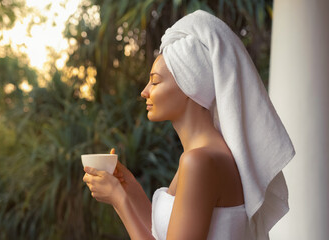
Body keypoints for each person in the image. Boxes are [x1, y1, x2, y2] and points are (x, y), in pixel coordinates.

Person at [82, 10, 295, 240]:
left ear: (189, 84)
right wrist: (128, 188)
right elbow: (162, 234)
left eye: (155, 81)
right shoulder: (201, 156)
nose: (145, 92)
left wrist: (119, 199)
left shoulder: (200, 162)